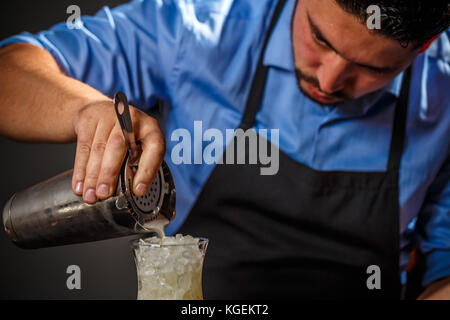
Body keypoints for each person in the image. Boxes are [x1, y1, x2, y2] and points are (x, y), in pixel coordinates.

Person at [0, 0, 448, 299]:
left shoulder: (444, 95)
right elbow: (11, 70)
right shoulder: (196, 26)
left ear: (426, 45)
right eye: (320, 39)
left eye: (372, 68)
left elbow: (442, 268)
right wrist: (86, 109)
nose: (329, 81)